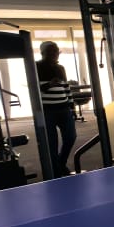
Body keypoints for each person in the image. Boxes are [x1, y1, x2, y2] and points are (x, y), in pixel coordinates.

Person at [36, 41, 76, 176]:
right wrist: (49, 84)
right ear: (43, 53)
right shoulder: (36, 66)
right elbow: (33, 89)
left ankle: (60, 163)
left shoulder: (61, 68)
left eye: (56, 51)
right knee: (51, 143)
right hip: (47, 111)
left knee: (70, 137)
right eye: (51, 51)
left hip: (64, 109)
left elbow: (66, 88)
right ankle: (56, 170)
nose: (55, 54)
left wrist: (72, 108)